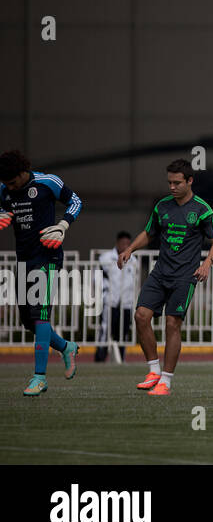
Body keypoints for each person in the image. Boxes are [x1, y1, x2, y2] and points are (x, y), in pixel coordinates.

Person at [120, 160, 213, 394]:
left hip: (185, 276)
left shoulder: (202, 209)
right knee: (141, 316)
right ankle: (153, 370)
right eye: (169, 183)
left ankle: (166, 380)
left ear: (190, 181)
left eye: (177, 183)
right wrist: (130, 249)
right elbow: (149, 232)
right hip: (160, 272)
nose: (172, 187)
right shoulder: (162, 206)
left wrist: (207, 264)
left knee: (172, 323)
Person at [0, 149, 83, 396]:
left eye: (13, 182)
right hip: (23, 259)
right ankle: (66, 347)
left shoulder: (48, 182)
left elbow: (76, 200)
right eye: (6, 184)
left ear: (24, 172)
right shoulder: (4, 188)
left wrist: (62, 225)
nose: (10, 188)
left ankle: (39, 378)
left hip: (47, 258)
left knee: (41, 316)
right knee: (29, 322)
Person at [96, 232, 138, 363]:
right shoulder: (106, 258)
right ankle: (100, 359)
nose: (125, 246)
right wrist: (103, 294)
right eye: (123, 243)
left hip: (126, 302)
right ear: (118, 243)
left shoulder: (134, 260)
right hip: (109, 301)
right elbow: (97, 278)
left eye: (128, 244)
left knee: (123, 332)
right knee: (105, 331)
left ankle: (121, 358)